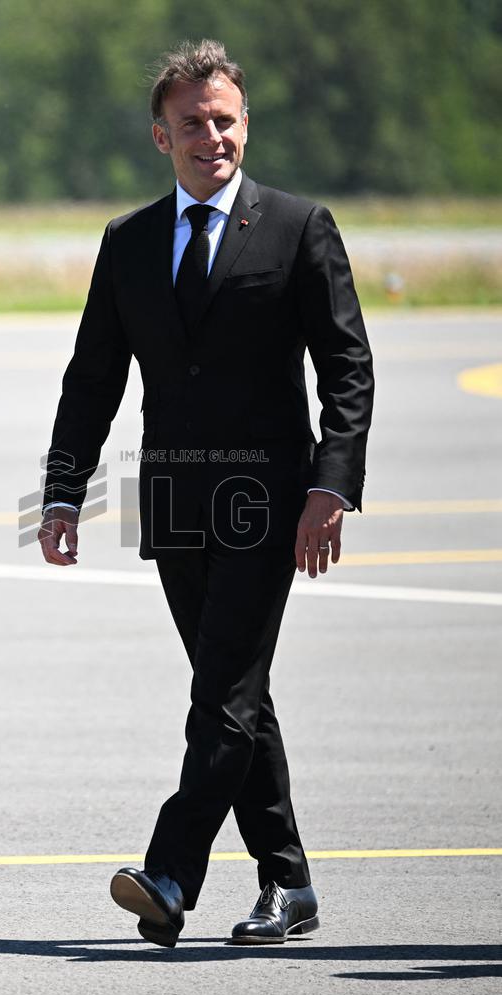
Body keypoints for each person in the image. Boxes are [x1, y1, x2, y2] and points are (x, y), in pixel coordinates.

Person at [38, 39, 374, 948]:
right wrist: (63, 492)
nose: (211, 135)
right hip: (178, 500)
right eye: (192, 122)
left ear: (244, 125)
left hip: (270, 499)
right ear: (162, 136)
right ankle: (288, 884)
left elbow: (346, 367)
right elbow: (92, 378)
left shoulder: (298, 227)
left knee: (223, 692)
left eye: (224, 119)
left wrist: (330, 486)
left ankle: (169, 874)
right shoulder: (129, 242)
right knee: (234, 692)